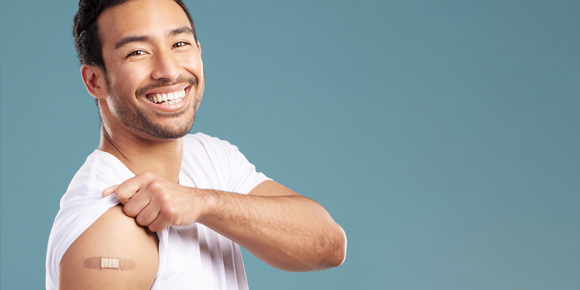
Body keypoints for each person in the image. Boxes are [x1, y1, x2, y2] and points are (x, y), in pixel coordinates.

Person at [45, 0, 347, 289]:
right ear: (95, 81)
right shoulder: (113, 225)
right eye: (137, 52)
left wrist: (204, 203)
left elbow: (328, 246)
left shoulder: (210, 157)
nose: (168, 70)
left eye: (179, 44)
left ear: (199, 52)